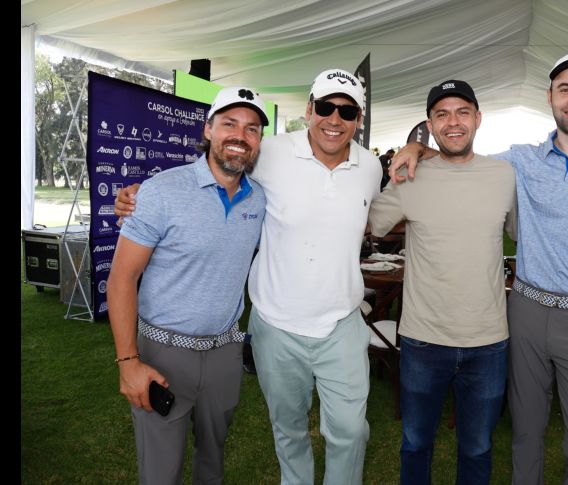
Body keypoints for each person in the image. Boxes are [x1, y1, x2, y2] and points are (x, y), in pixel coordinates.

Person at [391, 50, 568, 485]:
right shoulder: (519, 161)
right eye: (565, 88)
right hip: (526, 312)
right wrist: (418, 144)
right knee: (524, 437)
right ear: (549, 96)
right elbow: (458, 151)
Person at [116, 69, 381, 484]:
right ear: (309, 110)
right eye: (326, 107)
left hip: (310, 328)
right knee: (278, 433)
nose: (335, 118)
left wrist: (422, 151)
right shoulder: (265, 154)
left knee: (344, 432)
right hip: (258, 328)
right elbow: (209, 168)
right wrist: (138, 194)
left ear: (359, 119)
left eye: (346, 111)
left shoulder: (367, 168)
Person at [107, 86, 268, 484]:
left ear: (260, 141)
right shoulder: (161, 191)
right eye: (229, 123)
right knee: (161, 471)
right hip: (163, 352)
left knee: (212, 462)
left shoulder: (261, 198)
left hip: (226, 352)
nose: (240, 135)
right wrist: (128, 363)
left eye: (251, 129)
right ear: (208, 130)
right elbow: (121, 278)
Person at [368, 80, 516, 483]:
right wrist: (404, 157)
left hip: (488, 341)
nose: (453, 122)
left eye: (462, 112)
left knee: (479, 447)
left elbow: (522, 234)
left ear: (478, 119)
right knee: (416, 443)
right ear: (430, 125)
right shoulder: (410, 177)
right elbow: (368, 223)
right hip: (422, 339)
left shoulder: (504, 176)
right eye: (442, 114)